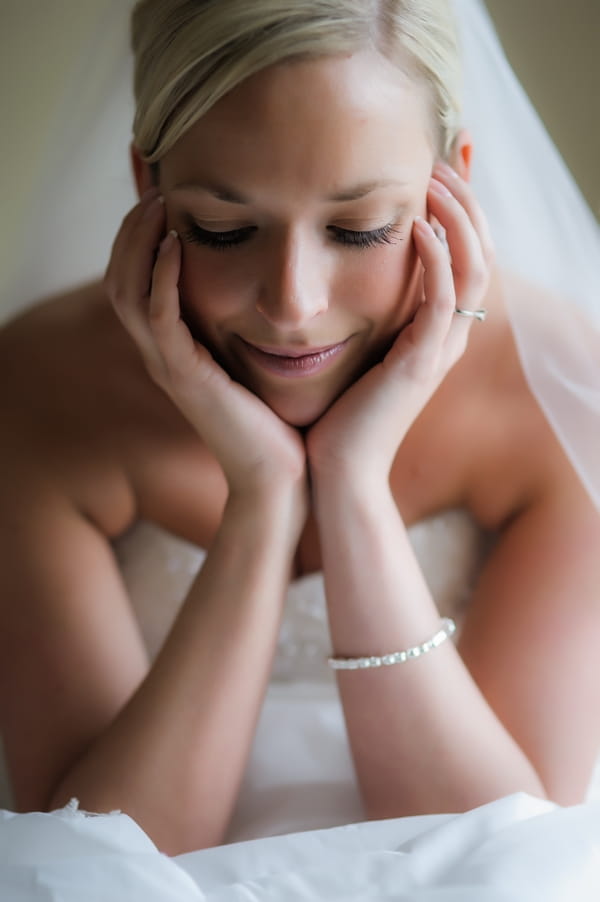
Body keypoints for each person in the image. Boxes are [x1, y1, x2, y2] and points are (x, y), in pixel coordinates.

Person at [0, 0, 599, 858]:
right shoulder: (36, 388)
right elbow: (96, 856)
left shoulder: (564, 387)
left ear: (453, 183)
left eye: (361, 228)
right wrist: (263, 496)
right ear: (148, 188)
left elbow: (505, 856)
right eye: (223, 229)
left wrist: (353, 486)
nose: (293, 305)